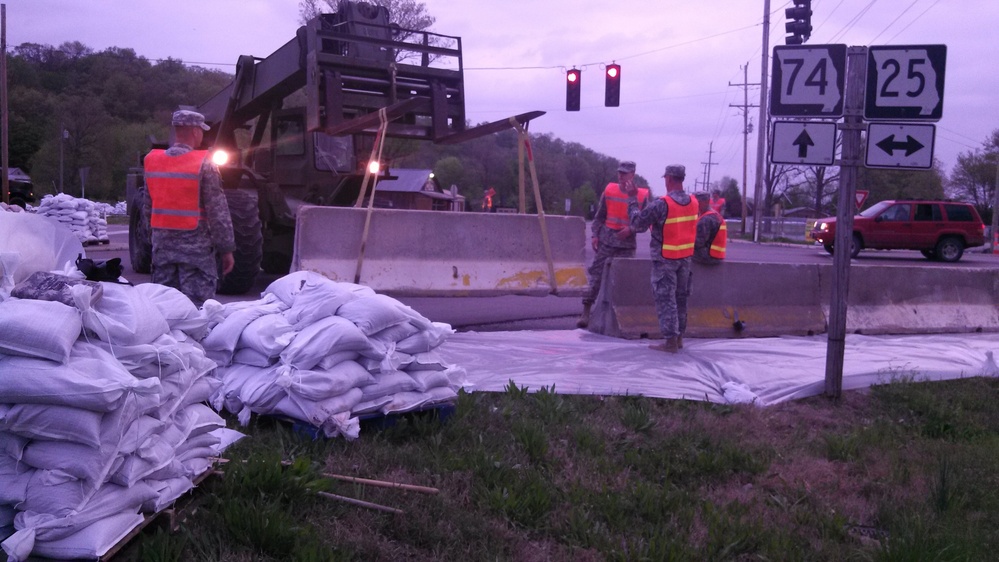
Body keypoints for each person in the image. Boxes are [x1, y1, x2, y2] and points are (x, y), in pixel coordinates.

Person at [143, 109, 235, 306]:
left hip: (163, 251)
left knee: (164, 308)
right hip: (196, 254)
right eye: (201, 131)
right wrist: (226, 249)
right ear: (195, 132)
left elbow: (147, 209)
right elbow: (218, 212)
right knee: (196, 311)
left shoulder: (152, 162)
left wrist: (153, 241)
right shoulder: (204, 164)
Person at [628, 164, 697, 353]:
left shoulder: (662, 203)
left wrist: (633, 199)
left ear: (669, 179)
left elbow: (638, 224)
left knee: (666, 299)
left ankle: (670, 342)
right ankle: (679, 338)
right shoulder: (694, 201)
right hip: (685, 259)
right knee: (681, 299)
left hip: (665, 259)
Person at [577, 160, 649, 328]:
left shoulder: (642, 195)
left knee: (624, 281)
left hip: (627, 245)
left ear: (633, 174)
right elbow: (600, 216)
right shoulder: (609, 190)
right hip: (606, 243)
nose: (621, 175)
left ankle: (621, 317)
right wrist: (595, 235)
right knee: (595, 276)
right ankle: (586, 313)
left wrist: (631, 229)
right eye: (619, 172)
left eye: (625, 173)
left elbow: (644, 223)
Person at [693, 191, 727, 265]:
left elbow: (698, 243)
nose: (695, 205)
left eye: (697, 202)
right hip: (717, 254)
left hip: (709, 256)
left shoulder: (706, 219)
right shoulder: (714, 215)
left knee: (680, 254)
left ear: (706, 202)